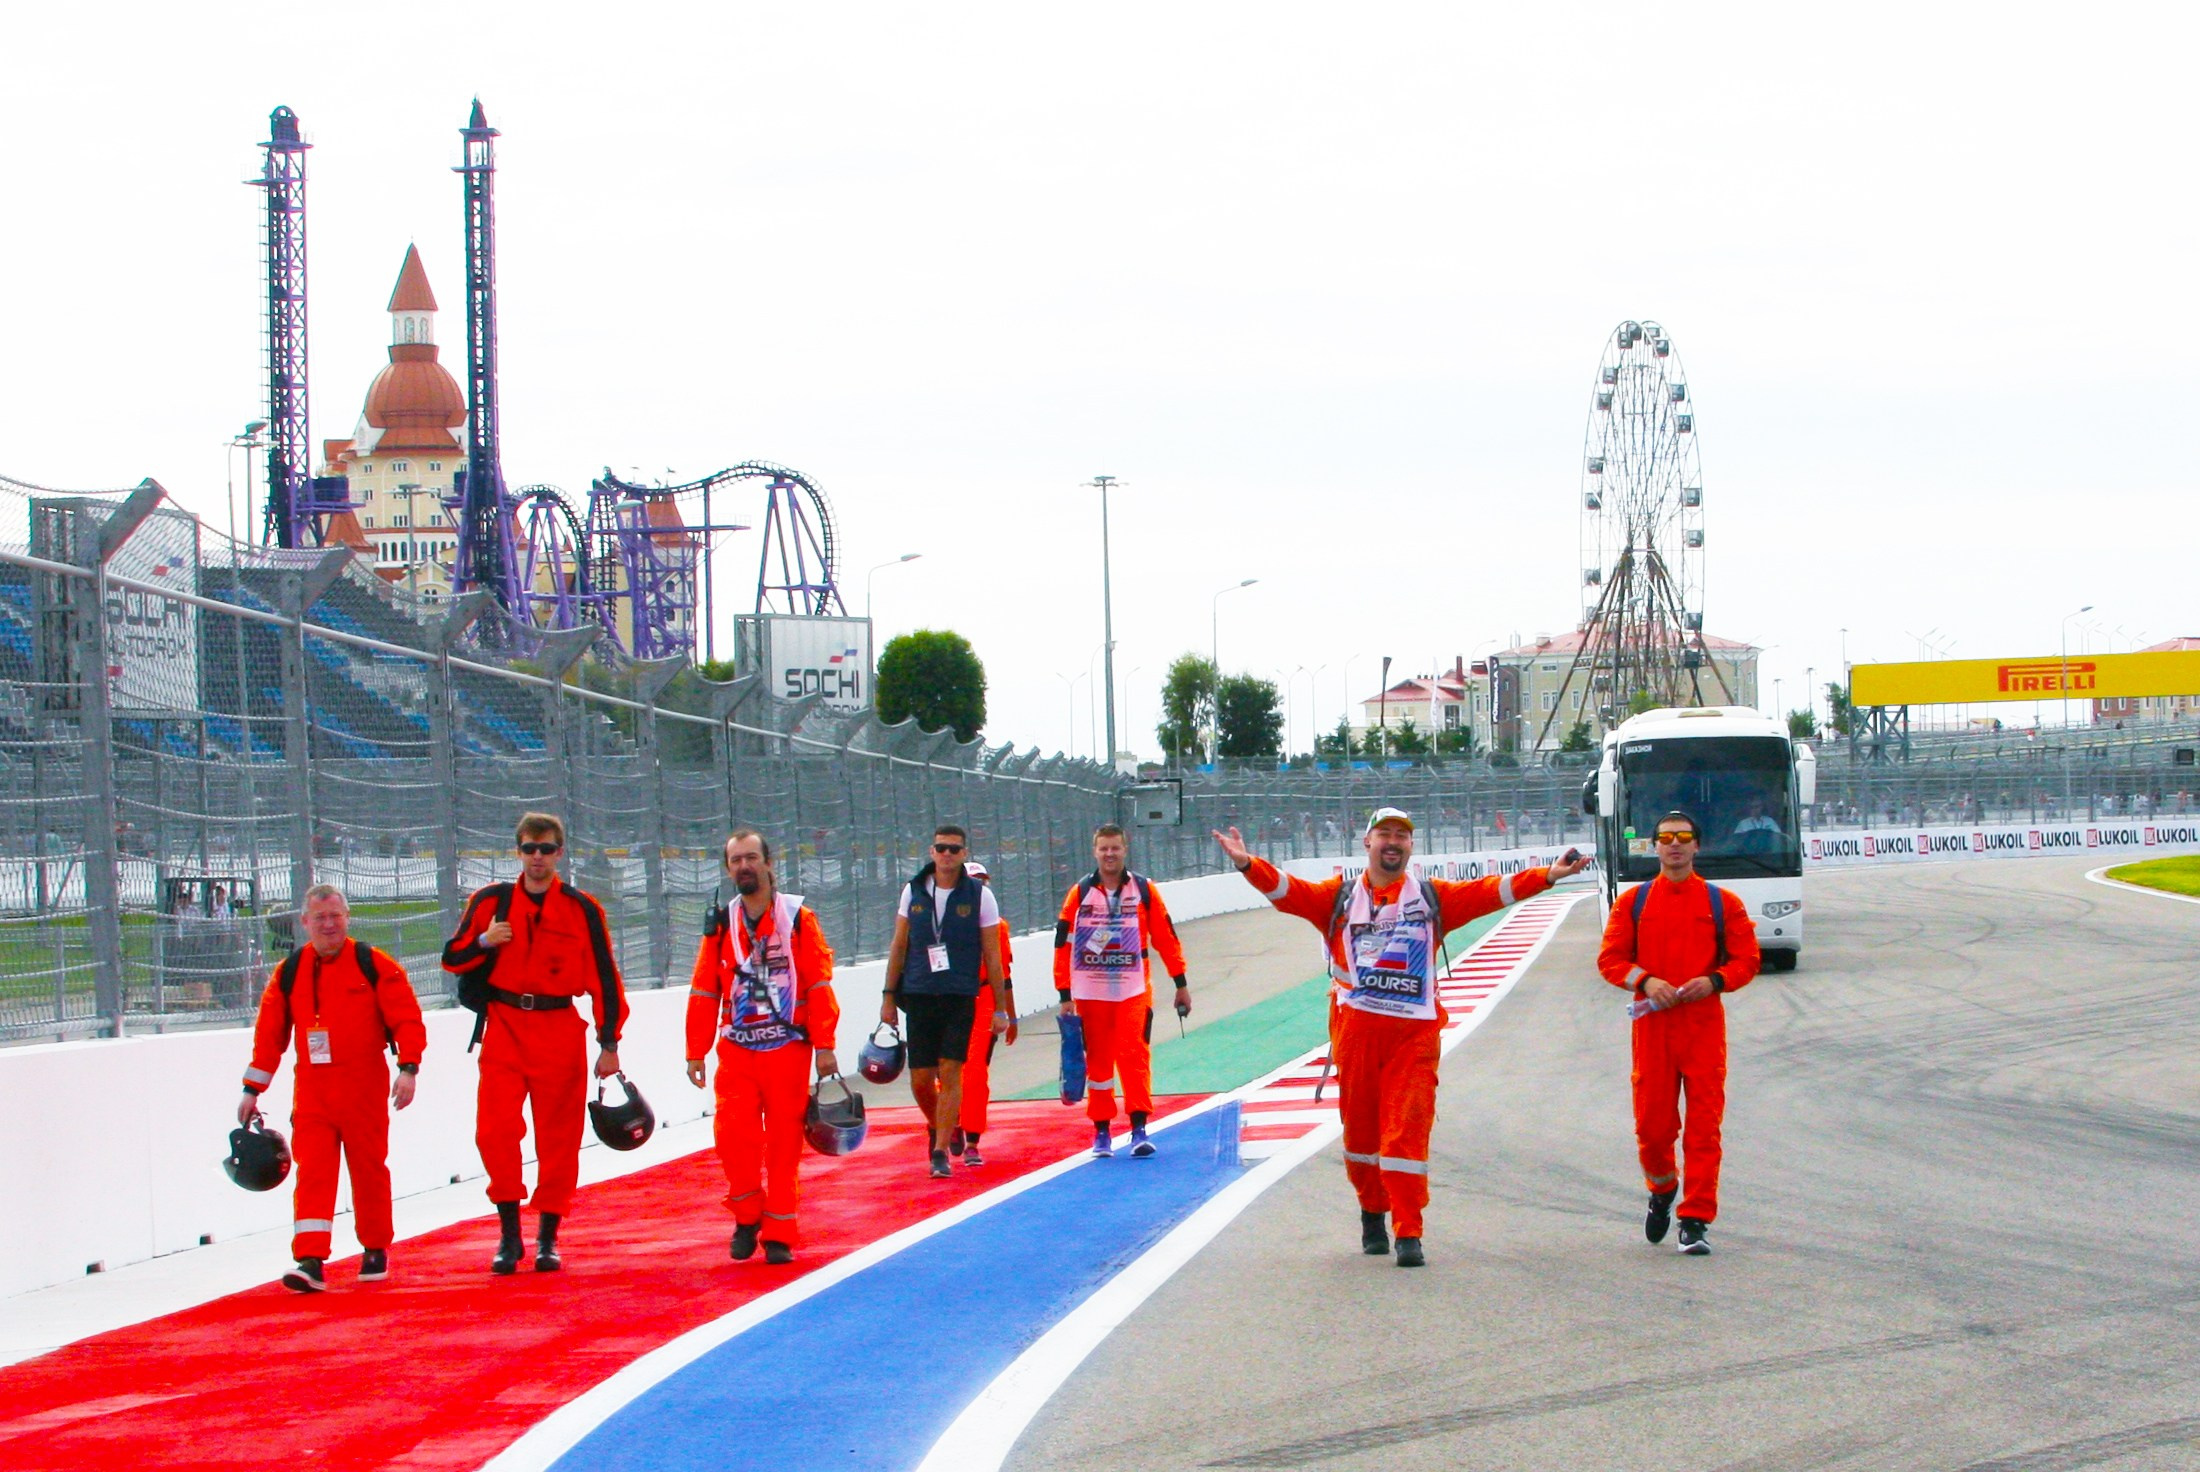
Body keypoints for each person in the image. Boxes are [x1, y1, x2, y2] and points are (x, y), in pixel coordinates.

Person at [1216, 808, 1588, 1267]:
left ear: (1411, 847)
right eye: (1384, 834)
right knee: (1361, 1135)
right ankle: (1372, 1209)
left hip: (1414, 1037)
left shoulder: (1433, 899)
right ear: (1367, 843)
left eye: (1402, 836)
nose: (1393, 842)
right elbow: (1287, 893)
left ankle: (1409, 1228)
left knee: (1406, 1131)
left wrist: (1548, 876)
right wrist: (1247, 864)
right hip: (1355, 1035)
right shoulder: (1337, 898)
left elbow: (1494, 891)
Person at [443, 812, 627, 1274]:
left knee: (559, 1139)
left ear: (560, 852)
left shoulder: (582, 909)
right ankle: (509, 1233)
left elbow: (605, 977)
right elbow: (452, 957)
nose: (537, 858)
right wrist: (486, 941)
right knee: (494, 1131)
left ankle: (547, 1235)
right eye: (529, 849)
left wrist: (609, 1041)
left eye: (546, 849)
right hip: (504, 1026)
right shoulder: (490, 901)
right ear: (518, 851)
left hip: (559, 1028)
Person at [238, 884, 426, 1292]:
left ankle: (375, 1248)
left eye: (335, 916)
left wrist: (408, 1068)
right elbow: (269, 1036)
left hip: (364, 1084)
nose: (328, 924)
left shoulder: (372, 964)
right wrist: (253, 1089)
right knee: (314, 1172)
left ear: (347, 918)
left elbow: (406, 1018)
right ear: (304, 922)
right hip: (313, 1089)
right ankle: (310, 1258)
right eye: (320, 917)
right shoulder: (288, 973)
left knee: (369, 1168)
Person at [1597, 809, 1761, 1256]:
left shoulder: (1722, 903)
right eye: (1666, 837)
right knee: (1653, 1128)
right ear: (1654, 846)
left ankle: (1695, 1218)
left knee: (1704, 1130)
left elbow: (1747, 960)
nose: (1674, 844)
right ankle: (1662, 1187)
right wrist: (1646, 980)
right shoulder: (1632, 903)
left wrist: (1714, 981)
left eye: (1683, 836)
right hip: (1653, 1030)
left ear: (1696, 846)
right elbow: (1609, 960)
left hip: (1703, 1029)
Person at [684, 829, 838, 1264]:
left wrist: (825, 1044)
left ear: (769, 863)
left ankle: (779, 1232)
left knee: (785, 1144)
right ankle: (746, 1215)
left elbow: (819, 979)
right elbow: (703, 988)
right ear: (728, 868)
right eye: (736, 861)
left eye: (751, 858)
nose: (744, 867)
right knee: (733, 1137)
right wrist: (696, 1048)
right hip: (736, 1050)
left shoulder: (796, 916)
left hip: (788, 1048)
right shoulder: (720, 922)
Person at [1053, 824, 1190, 1159]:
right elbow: (1062, 945)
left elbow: (1165, 937)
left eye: (1115, 848)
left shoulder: (1143, 890)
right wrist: (1064, 994)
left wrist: (1180, 982)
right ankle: (1101, 1131)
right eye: (1104, 849)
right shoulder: (1080, 892)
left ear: (1125, 849)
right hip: (1090, 991)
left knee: (1134, 1055)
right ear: (1094, 851)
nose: (1109, 854)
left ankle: (1139, 1127)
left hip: (1133, 987)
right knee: (1098, 1062)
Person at [880, 824, 1007, 1179]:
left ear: (964, 854)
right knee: (921, 1079)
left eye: (954, 849)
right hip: (919, 993)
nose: (947, 854)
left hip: (960, 993)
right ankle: (945, 1126)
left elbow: (993, 955)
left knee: (951, 1071)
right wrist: (888, 998)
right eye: (941, 848)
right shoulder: (914, 891)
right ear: (932, 852)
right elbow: (899, 944)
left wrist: (1000, 1007)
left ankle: (938, 1152)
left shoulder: (980, 896)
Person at [952, 860, 1017, 1168]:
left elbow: (1004, 974)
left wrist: (1010, 1015)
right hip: (952, 999)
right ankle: (950, 1121)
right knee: (948, 1069)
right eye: (974, 881)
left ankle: (973, 1138)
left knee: (976, 1070)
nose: (980, 888)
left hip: (985, 998)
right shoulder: (944, 922)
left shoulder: (998, 927)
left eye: (983, 882)